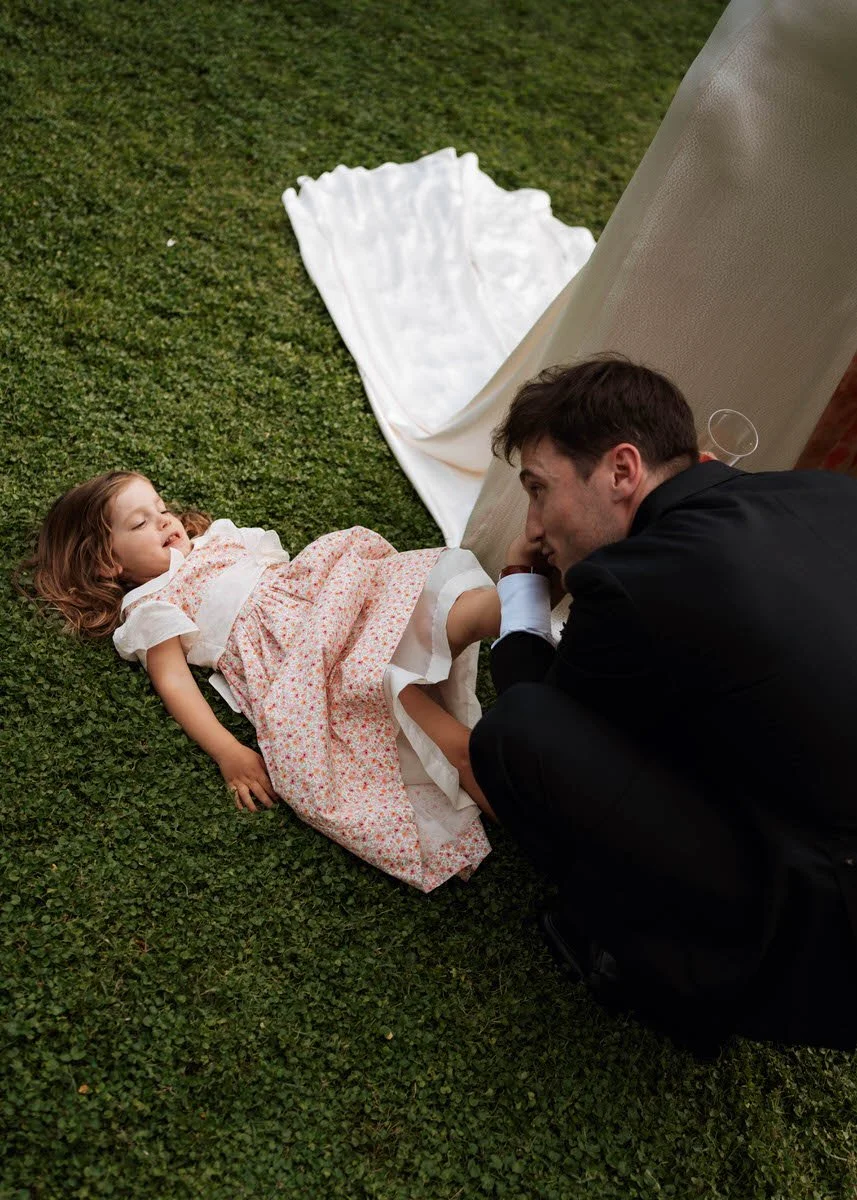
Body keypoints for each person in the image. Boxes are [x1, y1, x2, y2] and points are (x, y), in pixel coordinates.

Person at [469, 353, 857, 1052]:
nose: (534, 523)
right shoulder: (822, 493)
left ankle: (662, 973)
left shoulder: (635, 580)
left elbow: (545, 717)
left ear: (622, 471)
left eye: (538, 490)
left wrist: (521, 585)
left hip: (831, 934)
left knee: (515, 736)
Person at [24, 471, 501, 892]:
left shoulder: (219, 541)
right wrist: (227, 752)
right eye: (140, 523)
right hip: (302, 661)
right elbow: (173, 681)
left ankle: (527, 603)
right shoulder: (153, 603)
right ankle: (527, 812)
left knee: (442, 607)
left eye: (161, 509)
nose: (165, 521)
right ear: (108, 563)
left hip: (335, 605)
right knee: (436, 732)